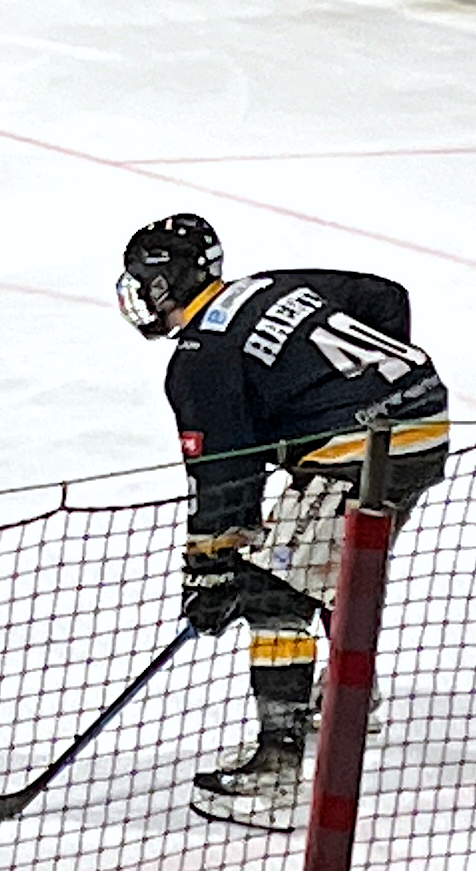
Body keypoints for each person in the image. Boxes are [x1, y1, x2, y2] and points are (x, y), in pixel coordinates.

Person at [118, 213, 450, 830]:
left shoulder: (198, 358)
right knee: (337, 560)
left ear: (169, 286)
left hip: (357, 451)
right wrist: (364, 393)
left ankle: (276, 767)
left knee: (275, 593)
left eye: (144, 279)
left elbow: (225, 478)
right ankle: (352, 695)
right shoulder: (269, 285)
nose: (137, 293)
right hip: (423, 419)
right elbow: (385, 298)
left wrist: (212, 570)